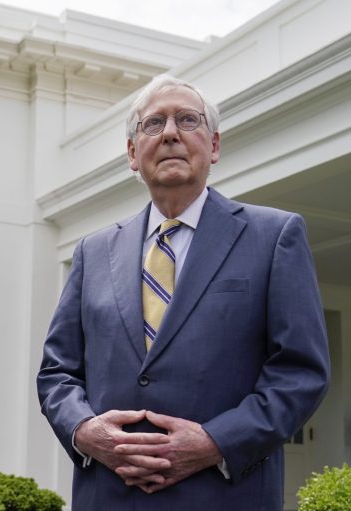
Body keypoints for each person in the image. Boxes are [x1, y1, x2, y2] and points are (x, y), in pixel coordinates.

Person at [36, 74, 330, 510]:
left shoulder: (274, 236)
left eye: (187, 120)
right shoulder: (93, 251)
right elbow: (57, 373)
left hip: (224, 494)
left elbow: (300, 373)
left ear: (213, 145)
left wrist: (214, 442)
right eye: (153, 124)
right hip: (109, 496)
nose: (170, 132)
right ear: (133, 154)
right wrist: (84, 430)